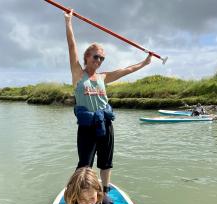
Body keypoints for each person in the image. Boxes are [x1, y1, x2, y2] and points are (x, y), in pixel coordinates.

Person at [65, 10, 152, 194]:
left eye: (102, 58)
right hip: (87, 126)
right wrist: (68, 22)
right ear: (87, 57)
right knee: (85, 164)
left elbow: (126, 69)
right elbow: (72, 47)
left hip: (106, 124)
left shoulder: (104, 77)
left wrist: (144, 63)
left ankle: (104, 192)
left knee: (106, 162)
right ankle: (79, 194)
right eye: (96, 56)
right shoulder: (78, 74)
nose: (99, 60)